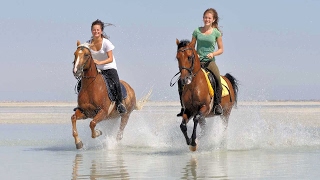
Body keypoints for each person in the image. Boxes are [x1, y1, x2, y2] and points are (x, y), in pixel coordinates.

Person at [177, 8, 224, 116]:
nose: (207, 19)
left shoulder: (216, 33)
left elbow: (221, 49)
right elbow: (191, 46)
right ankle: (183, 106)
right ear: (203, 18)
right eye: (205, 17)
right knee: (181, 80)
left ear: (213, 20)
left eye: (209, 18)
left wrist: (213, 54)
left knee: (217, 79)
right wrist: (194, 53)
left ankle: (217, 105)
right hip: (197, 62)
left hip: (210, 62)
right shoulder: (197, 31)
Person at [87, 19, 126, 114]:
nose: (96, 31)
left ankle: (120, 104)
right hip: (96, 70)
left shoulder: (106, 43)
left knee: (116, 83)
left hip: (109, 67)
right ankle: (83, 103)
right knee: (82, 82)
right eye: (94, 30)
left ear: (101, 31)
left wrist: (99, 62)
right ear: (91, 30)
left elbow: (110, 58)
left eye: (98, 30)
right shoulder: (88, 43)